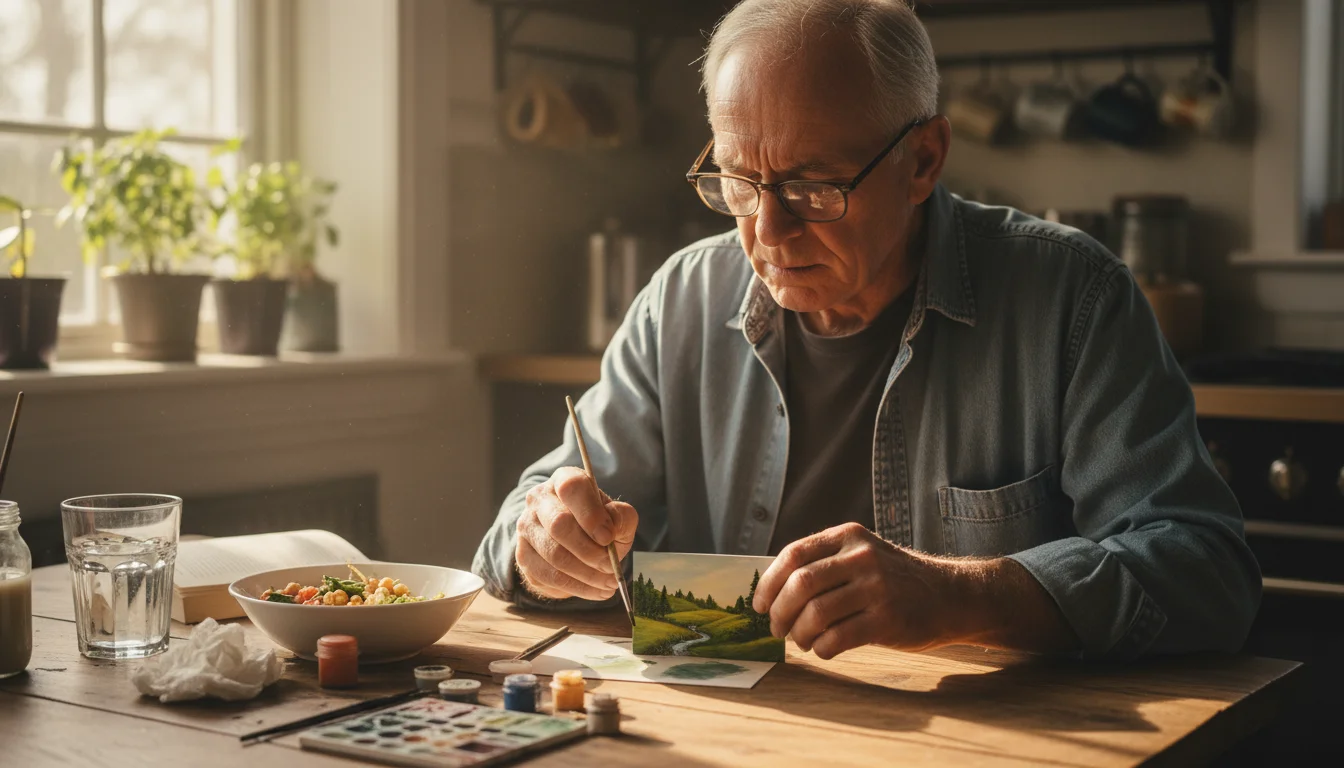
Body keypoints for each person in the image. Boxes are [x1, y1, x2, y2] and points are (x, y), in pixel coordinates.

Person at [472, 0, 1260, 660]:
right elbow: (514, 533)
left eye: (813, 187)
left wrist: (960, 594)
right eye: (741, 183)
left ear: (924, 159)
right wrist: (543, 545)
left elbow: (1207, 573)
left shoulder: (1072, 298)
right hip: (736, 732)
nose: (768, 234)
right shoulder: (681, 299)